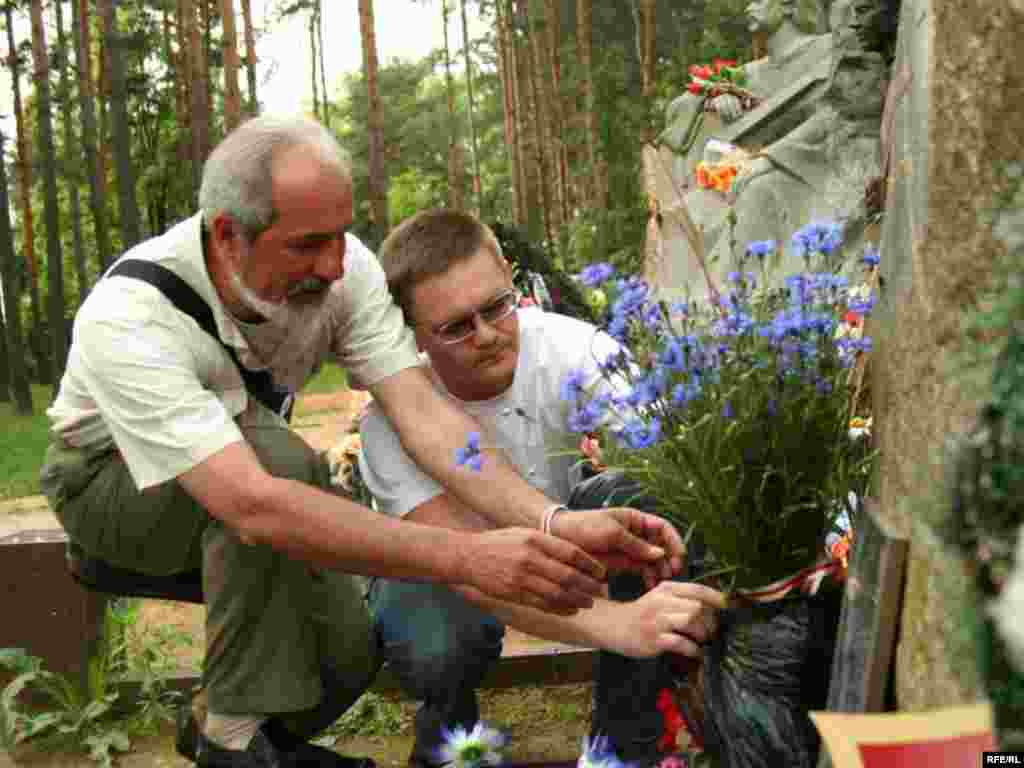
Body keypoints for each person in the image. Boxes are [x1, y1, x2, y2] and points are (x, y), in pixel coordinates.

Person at [40, 117, 688, 768]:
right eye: (307, 245)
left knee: (347, 655)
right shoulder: (130, 318)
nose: (334, 264)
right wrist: (468, 559)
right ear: (228, 235)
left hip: (247, 475)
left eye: (342, 234)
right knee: (283, 470)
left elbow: (427, 417)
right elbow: (253, 504)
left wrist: (555, 521)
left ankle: (234, 728)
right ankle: (233, 742)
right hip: (112, 486)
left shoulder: (346, 270)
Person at [359, 209, 725, 768]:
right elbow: (460, 565)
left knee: (640, 505)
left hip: (570, 543)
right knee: (435, 641)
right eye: (456, 327)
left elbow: (674, 469)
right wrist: (616, 623)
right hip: (452, 571)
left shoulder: (580, 351)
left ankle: (622, 740)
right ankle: (449, 728)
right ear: (408, 330)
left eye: (496, 307)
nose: (486, 336)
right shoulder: (388, 418)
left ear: (510, 274)